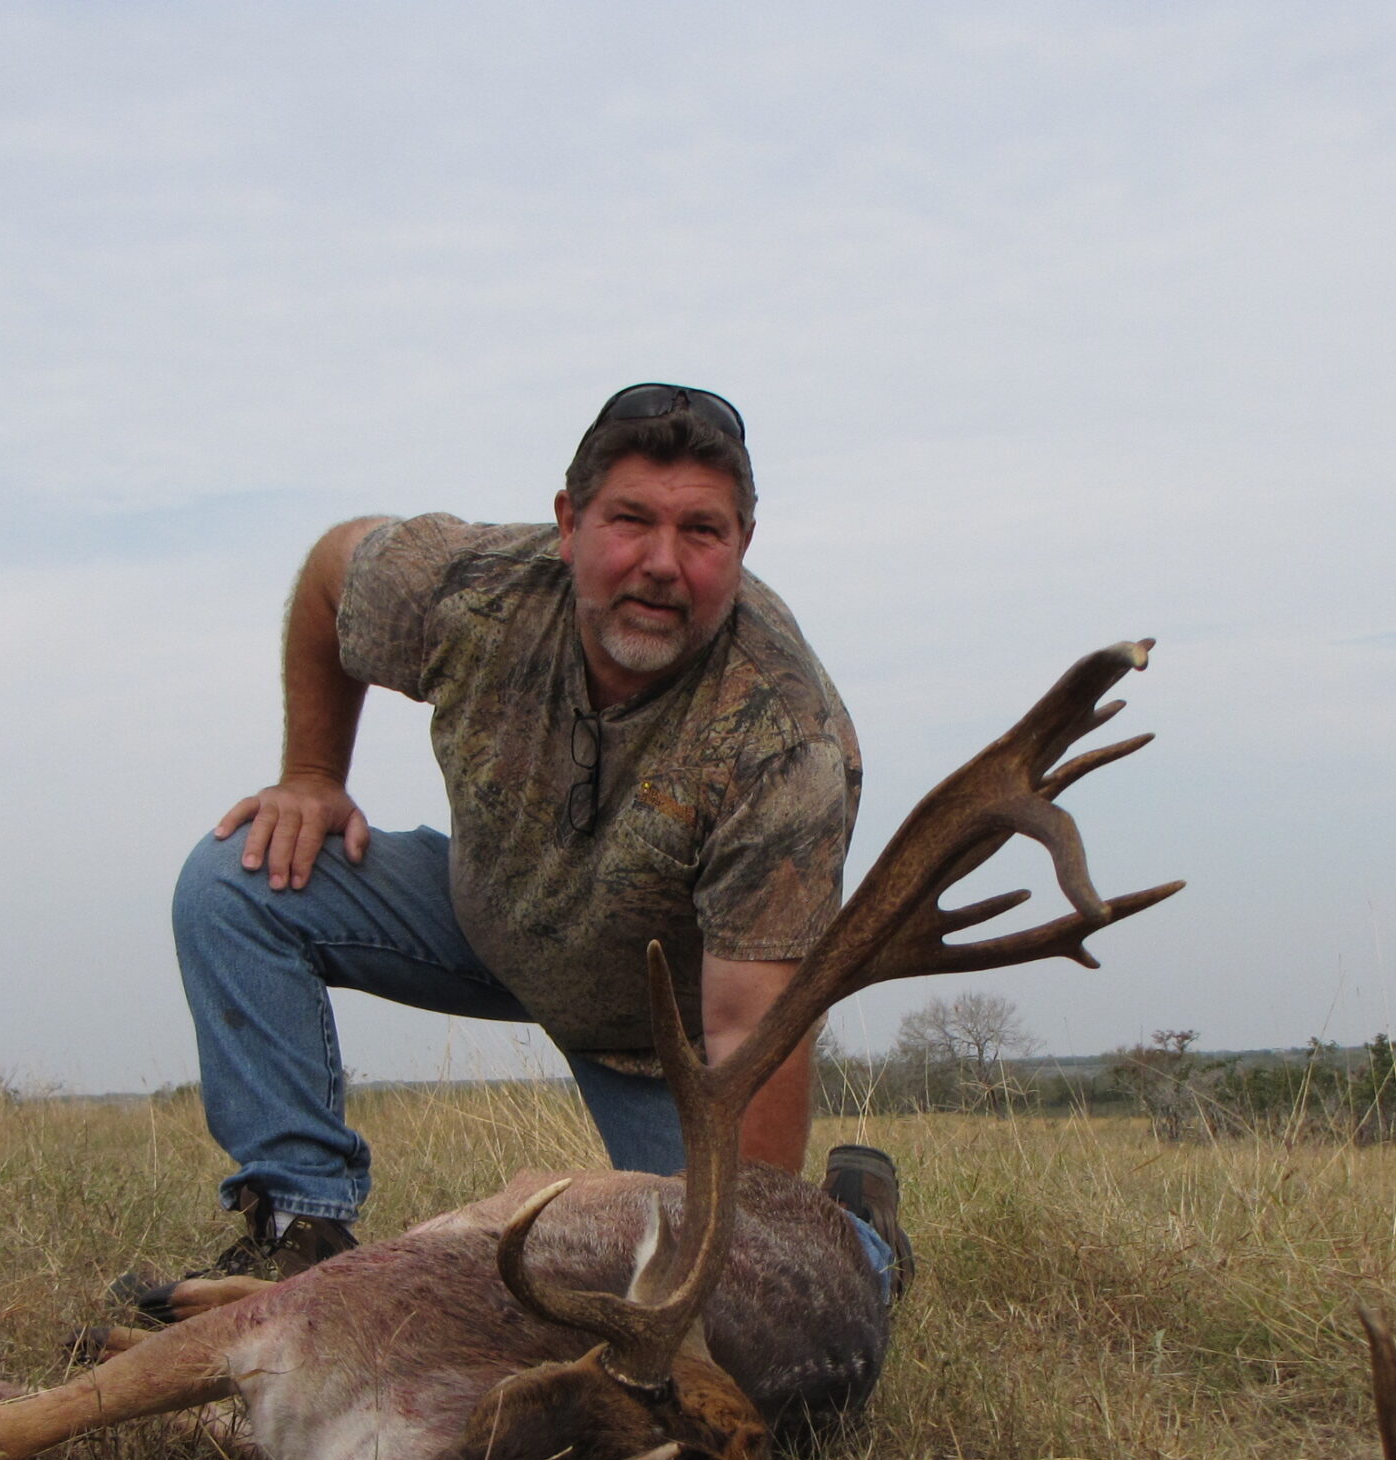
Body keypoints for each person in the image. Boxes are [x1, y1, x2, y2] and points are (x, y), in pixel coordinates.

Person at [169, 383, 911, 1289]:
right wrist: (314, 777)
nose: (662, 564)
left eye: (702, 533)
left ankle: (861, 1230)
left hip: (658, 1033)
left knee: (743, 1270)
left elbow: (753, 1028)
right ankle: (297, 1226)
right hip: (486, 922)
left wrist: (740, 1261)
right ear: (568, 524)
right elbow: (335, 568)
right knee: (233, 882)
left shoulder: (783, 740)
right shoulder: (474, 591)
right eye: (630, 520)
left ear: (743, 545)